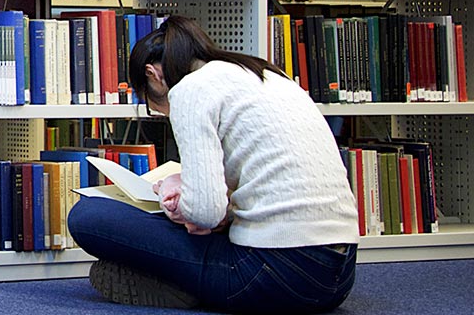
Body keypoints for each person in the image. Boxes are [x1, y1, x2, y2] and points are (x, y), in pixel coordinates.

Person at [66, 16, 360, 313]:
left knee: (88, 215)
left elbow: (205, 214)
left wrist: (173, 193)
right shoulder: (265, 73)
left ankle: (181, 286)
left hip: (272, 276)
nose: (162, 113)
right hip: (340, 276)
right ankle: (190, 281)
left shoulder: (190, 91)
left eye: (153, 105)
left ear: (152, 74)